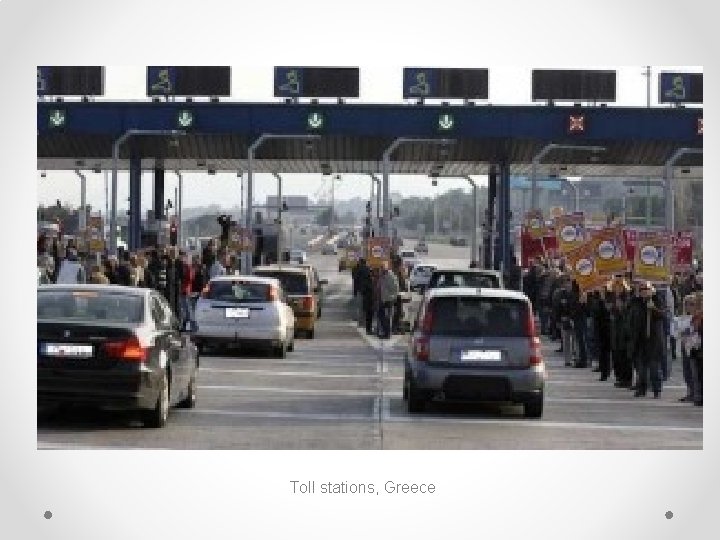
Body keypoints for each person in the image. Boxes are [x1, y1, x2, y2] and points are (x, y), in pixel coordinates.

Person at [634, 282, 665, 398]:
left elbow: (663, 315)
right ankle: (641, 388)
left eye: (646, 289)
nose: (644, 291)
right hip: (641, 339)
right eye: (642, 290)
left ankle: (657, 389)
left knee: (654, 367)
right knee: (641, 367)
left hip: (654, 340)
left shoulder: (657, 300)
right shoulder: (637, 302)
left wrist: (654, 309)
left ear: (651, 290)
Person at [378, 261, 399, 339]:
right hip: (383, 299)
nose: (381, 270)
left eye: (382, 268)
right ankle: (385, 332)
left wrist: (391, 297)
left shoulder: (390, 276)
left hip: (388, 300)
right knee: (382, 316)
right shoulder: (383, 275)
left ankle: (387, 333)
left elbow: (395, 288)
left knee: (386, 317)